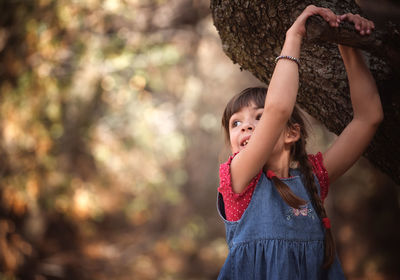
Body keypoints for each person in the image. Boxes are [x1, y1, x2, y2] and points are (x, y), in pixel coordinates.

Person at [217, 5, 383, 280]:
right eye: (236, 123)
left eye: (259, 117)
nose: (245, 125)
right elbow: (279, 109)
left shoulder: (313, 179)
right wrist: (293, 36)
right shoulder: (238, 181)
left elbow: (369, 118)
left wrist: (347, 42)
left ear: (291, 133)